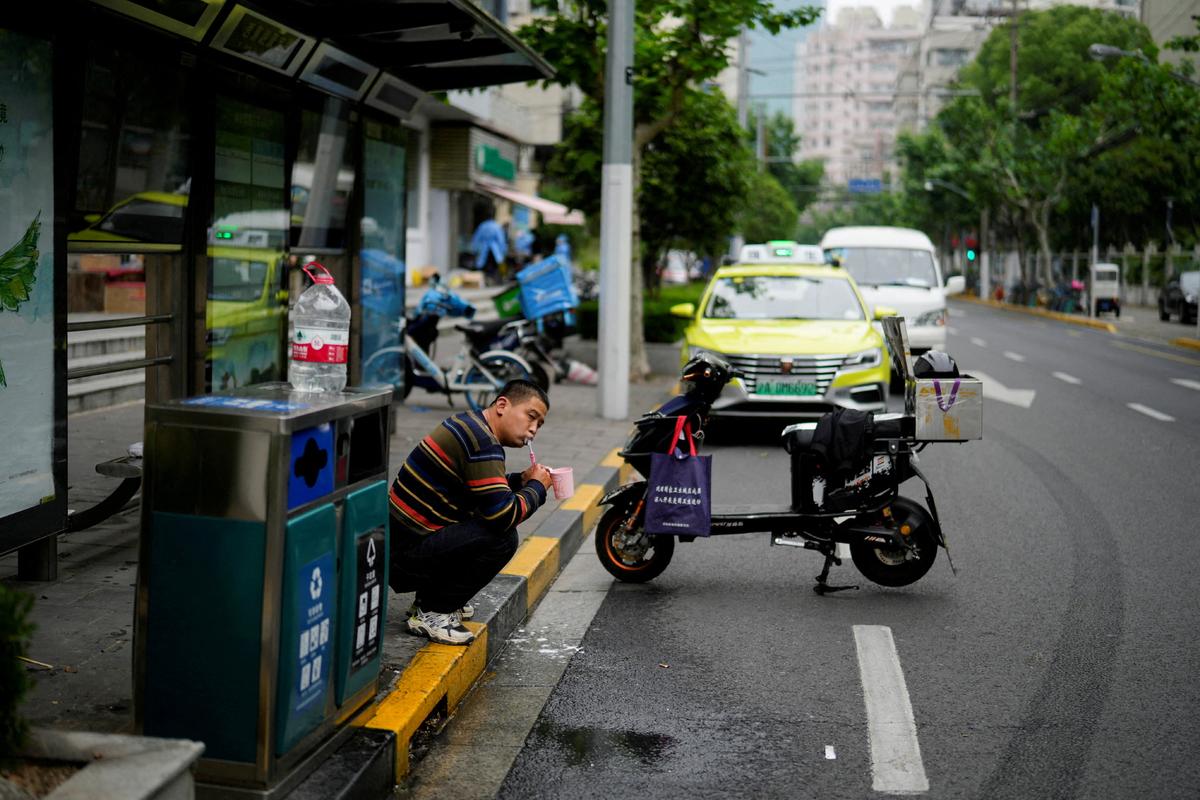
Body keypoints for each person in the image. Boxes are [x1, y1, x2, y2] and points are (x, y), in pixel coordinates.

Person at [389, 379, 553, 644]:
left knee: (483, 519)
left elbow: (480, 489)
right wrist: (538, 488)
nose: (533, 430)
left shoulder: (472, 424)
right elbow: (504, 516)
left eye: (539, 425)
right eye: (531, 417)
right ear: (502, 405)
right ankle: (433, 610)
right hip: (403, 557)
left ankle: (431, 598)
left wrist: (518, 481)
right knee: (502, 538)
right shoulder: (482, 443)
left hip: (402, 542)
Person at [471, 217, 508, 285]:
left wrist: (474, 249)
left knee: (484, 265)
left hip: (484, 249)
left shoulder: (482, 225)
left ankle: (485, 281)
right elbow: (501, 240)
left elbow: (476, 238)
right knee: (496, 265)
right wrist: (503, 250)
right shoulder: (496, 226)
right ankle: (495, 280)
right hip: (495, 249)